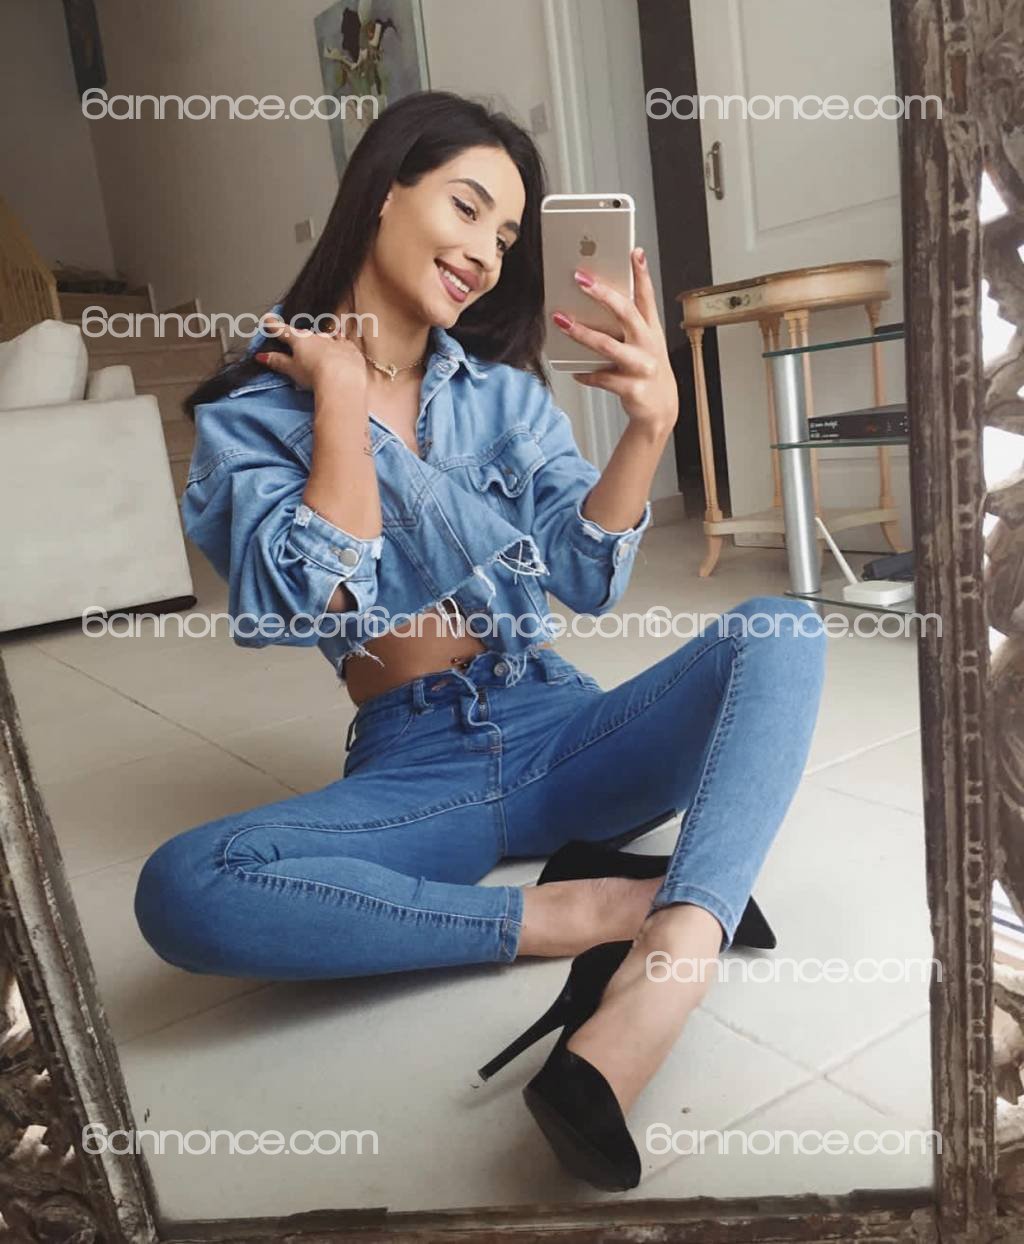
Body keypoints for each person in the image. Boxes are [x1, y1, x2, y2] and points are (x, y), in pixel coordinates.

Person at [133, 90, 826, 1190]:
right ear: (382, 191)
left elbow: (587, 580)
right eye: (467, 208)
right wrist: (341, 399)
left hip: (561, 723)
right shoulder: (252, 409)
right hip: (420, 761)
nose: (487, 255)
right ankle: (582, 905)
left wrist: (649, 429)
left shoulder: (504, 399)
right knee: (186, 885)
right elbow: (303, 598)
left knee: (782, 627)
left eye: (506, 237)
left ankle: (668, 965)